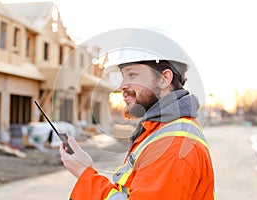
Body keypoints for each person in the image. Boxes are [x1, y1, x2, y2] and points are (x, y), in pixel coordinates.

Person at [59, 29, 215, 199]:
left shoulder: (173, 145)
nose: (122, 86)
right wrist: (87, 170)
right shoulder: (158, 132)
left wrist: (85, 175)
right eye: (123, 76)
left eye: (132, 74)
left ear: (164, 79)